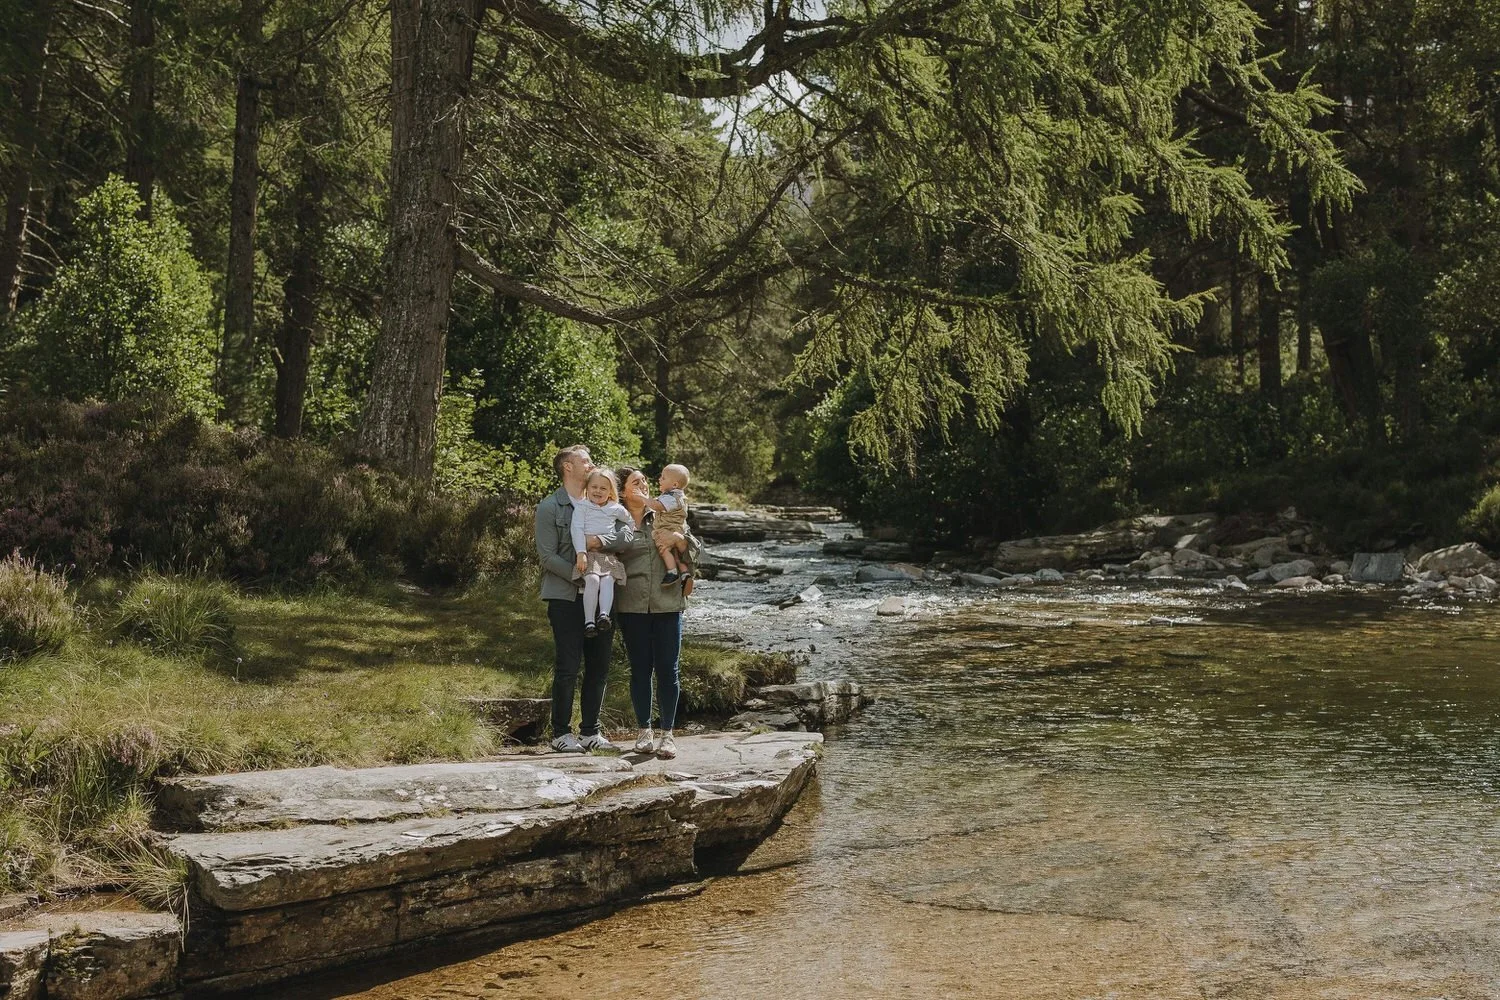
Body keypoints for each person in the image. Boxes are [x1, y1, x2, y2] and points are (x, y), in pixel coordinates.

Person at [534, 445, 633, 753]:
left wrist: (600, 542)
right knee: (568, 665)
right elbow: (547, 556)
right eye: (584, 461)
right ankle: (561, 733)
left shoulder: (605, 499)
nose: (591, 465)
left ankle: (591, 731)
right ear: (567, 467)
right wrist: (583, 574)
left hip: (604, 596)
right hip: (565, 597)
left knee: (599, 665)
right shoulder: (550, 507)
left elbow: (627, 534)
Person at [615, 466, 701, 760]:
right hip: (631, 607)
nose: (644, 486)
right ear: (623, 491)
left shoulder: (666, 513)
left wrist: (679, 539)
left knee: (668, 671)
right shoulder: (617, 519)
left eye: (645, 481)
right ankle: (643, 732)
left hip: (668, 606)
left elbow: (694, 550)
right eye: (635, 483)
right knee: (640, 670)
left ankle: (668, 735)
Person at [570, 467, 629, 637]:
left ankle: (604, 615)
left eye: (603, 488)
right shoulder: (583, 506)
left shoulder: (615, 508)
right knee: (593, 580)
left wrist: (621, 533)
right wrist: (581, 552)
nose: (598, 491)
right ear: (587, 488)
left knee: (608, 580)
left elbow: (629, 521)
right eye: (594, 487)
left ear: (610, 492)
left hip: (607, 554)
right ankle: (589, 622)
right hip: (588, 555)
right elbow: (577, 528)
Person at [642, 463, 692, 585]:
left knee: (664, 550)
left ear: (675, 485)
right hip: (677, 528)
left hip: (668, 528)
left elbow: (656, 506)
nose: (659, 479)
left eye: (663, 478)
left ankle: (672, 572)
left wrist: (642, 498)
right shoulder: (676, 496)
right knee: (675, 553)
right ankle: (685, 573)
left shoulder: (671, 497)